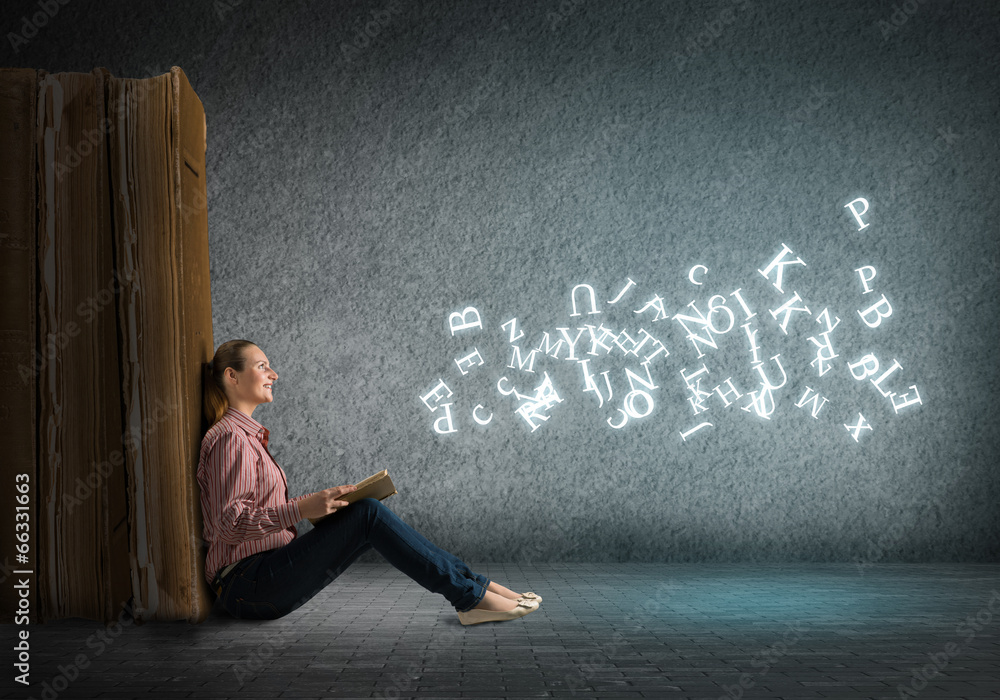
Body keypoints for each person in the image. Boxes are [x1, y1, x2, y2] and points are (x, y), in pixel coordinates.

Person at [197, 339, 541, 625]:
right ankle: (470, 597)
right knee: (368, 515)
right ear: (232, 377)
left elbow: (253, 512)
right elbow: (230, 524)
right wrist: (301, 508)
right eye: (262, 366)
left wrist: (320, 505)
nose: (274, 373)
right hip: (247, 585)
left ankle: (475, 586)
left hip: (260, 577)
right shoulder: (231, 439)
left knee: (362, 511)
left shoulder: (246, 437)